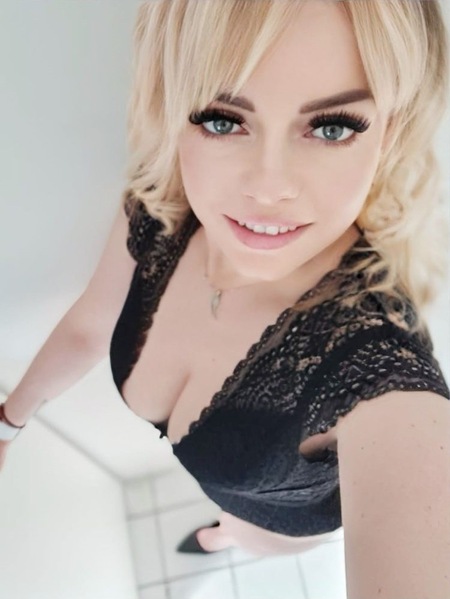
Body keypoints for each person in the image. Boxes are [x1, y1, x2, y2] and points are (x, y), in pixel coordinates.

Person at [1, 0, 450, 596]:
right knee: (226, 519)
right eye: (221, 119)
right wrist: (8, 423)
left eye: (332, 127)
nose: (268, 188)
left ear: (391, 130)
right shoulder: (159, 210)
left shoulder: (383, 373)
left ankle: (232, 537)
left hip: (282, 523)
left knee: (248, 534)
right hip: (221, 489)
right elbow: (89, 325)